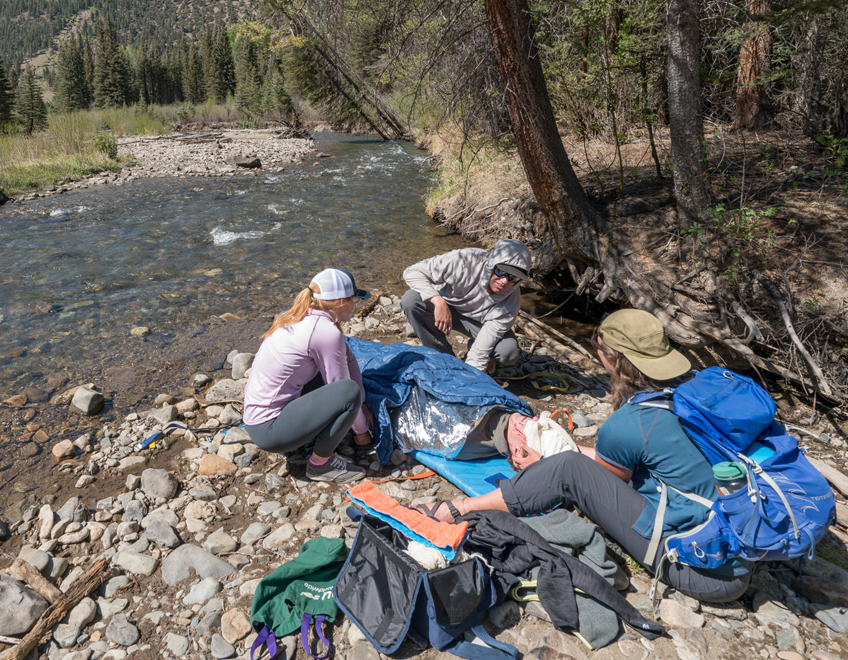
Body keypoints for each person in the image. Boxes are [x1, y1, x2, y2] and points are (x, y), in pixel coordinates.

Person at [424, 309, 753, 603]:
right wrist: (563, 443)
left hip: (701, 570)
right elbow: (632, 463)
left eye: (598, 349)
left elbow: (594, 481)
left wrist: (544, 466)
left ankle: (456, 510)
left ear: (614, 358)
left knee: (565, 468)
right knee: (571, 461)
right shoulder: (693, 391)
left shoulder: (629, 422)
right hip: (741, 545)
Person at [243, 268, 374, 484]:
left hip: (257, 414)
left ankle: (309, 438)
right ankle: (320, 465)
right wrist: (362, 431)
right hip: (269, 430)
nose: (354, 305)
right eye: (354, 300)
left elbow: (348, 360)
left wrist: (364, 403)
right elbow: (343, 388)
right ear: (342, 302)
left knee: (341, 381)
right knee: (347, 392)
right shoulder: (324, 332)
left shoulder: (298, 314)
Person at [401, 239, 531, 373]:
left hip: (477, 324)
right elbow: (412, 271)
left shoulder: (511, 303)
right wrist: (437, 300)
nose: (504, 281)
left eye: (513, 278)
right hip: (443, 307)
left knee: (508, 351)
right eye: (500, 272)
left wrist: (472, 374)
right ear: (491, 264)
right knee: (411, 300)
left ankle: (477, 356)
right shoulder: (465, 260)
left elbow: (486, 341)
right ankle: (442, 357)